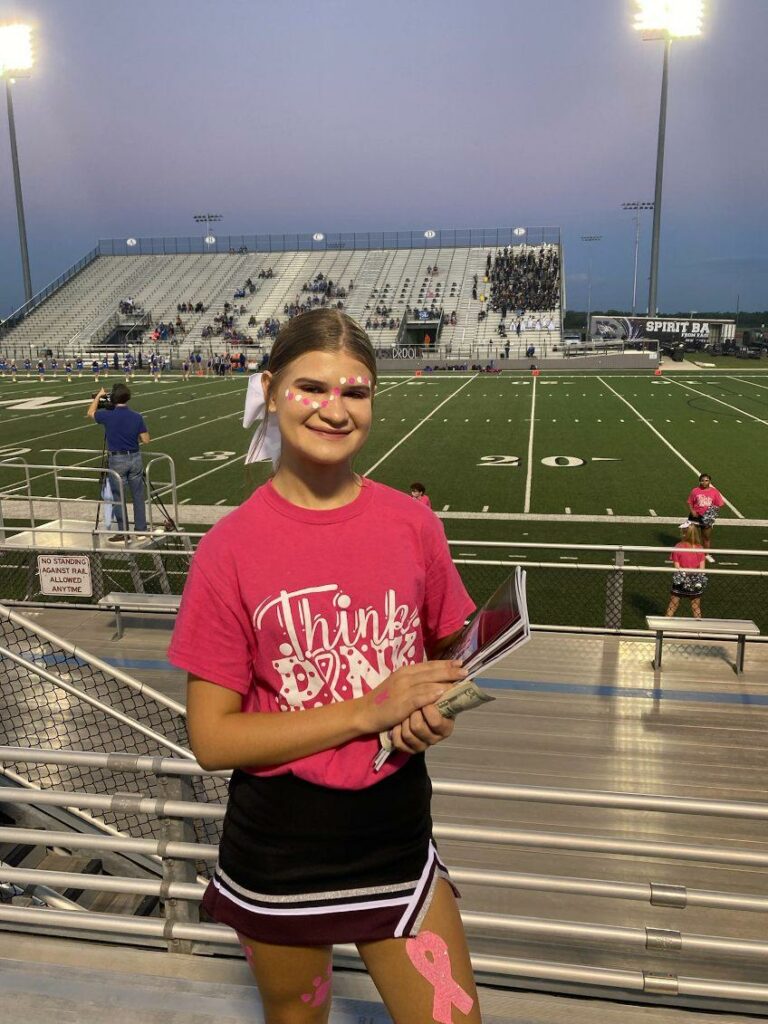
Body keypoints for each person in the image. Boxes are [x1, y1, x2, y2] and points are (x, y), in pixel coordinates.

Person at [167, 309, 481, 1024]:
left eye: (356, 392)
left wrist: (436, 711)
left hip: (397, 832)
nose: (334, 409)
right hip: (280, 849)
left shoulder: (413, 524)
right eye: (312, 387)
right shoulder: (229, 549)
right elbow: (213, 740)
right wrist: (368, 710)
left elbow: (450, 660)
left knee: (453, 1017)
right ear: (272, 389)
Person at [87, 383, 150, 543]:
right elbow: (146, 439)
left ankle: (123, 532)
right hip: (135, 458)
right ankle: (141, 530)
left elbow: (90, 413)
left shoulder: (108, 415)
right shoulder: (137, 416)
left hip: (117, 459)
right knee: (138, 495)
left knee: (118, 496)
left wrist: (99, 397)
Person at [666, 523, 706, 618]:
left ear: (684, 534)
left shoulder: (678, 547)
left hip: (681, 580)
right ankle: (699, 630)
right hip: (695, 580)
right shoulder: (700, 548)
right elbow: (702, 569)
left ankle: (665, 627)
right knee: (696, 607)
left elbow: (677, 567)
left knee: (672, 605)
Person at [685, 473, 724, 563]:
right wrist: (692, 511)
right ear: (700, 481)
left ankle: (706, 554)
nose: (704, 482)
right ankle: (691, 553)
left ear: (710, 481)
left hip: (707, 517)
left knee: (706, 537)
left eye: (706, 480)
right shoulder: (695, 491)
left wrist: (711, 514)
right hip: (695, 516)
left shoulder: (714, 492)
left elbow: (719, 504)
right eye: (702, 480)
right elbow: (690, 502)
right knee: (691, 535)